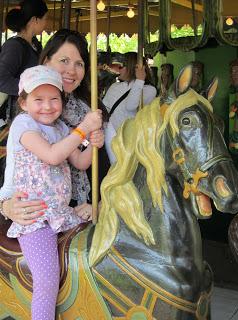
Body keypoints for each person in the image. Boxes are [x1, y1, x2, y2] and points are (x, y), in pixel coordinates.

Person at [5, 65, 102, 320]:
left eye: (54, 99)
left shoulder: (60, 128)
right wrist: (83, 129)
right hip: (35, 217)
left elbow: (80, 162)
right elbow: (52, 155)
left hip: (59, 212)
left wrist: (92, 142)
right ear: (24, 103)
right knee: (47, 280)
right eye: (38, 99)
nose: (47, 106)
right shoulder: (23, 126)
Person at [0, 29, 107, 224]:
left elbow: (96, 164)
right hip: (36, 213)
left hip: (75, 212)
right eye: (64, 61)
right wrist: (6, 204)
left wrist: (94, 141)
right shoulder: (27, 121)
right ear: (46, 62)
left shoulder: (92, 114)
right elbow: (42, 159)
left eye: (79, 64)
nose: (71, 70)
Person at [0, 0, 48, 185]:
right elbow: (2, 78)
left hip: (28, 113)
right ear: (34, 20)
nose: (46, 23)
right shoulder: (15, 46)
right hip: (15, 115)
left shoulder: (33, 45)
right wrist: (29, 92)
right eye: (45, 19)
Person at [102, 52, 157, 163]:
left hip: (130, 138)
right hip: (110, 133)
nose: (118, 70)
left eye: (121, 67)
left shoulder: (149, 89)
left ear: (133, 68)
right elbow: (105, 108)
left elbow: (131, 106)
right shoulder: (115, 86)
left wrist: (140, 80)